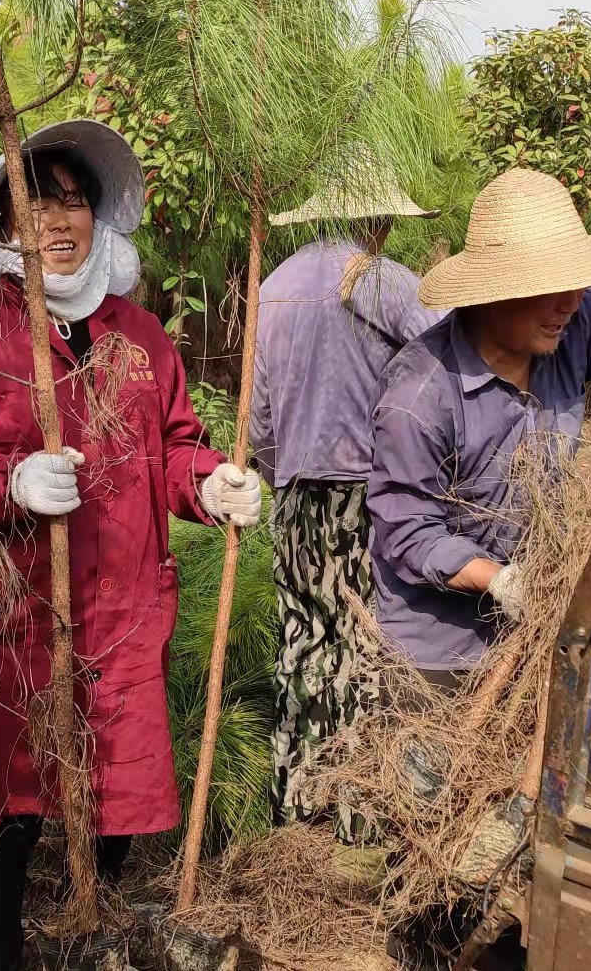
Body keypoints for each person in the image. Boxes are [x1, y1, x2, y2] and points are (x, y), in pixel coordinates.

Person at [0, 120, 261, 971]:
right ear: (1, 228)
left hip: (121, 617)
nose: (57, 223)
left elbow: (168, 447)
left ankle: (89, 931)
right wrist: (6, 481)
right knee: (0, 807)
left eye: (74, 202)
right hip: (10, 623)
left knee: (113, 792)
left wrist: (208, 482)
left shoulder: (141, 337)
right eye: (34, 207)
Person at [368, 167, 591, 684]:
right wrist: (502, 580)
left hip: (539, 633)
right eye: (550, 287)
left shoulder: (572, 326)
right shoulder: (419, 396)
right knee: (439, 762)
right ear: (492, 292)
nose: (572, 301)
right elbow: (407, 528)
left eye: (575, 283)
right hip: (441, 654)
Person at [249, 183, 442, 850]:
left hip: (298, 499)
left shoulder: (274, 285)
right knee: (367, 653)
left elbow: (259, 425)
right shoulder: (390, 284)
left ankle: (296, 819)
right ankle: (360, 823)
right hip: (370, 500)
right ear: (380, 217)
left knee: (304, 647)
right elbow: (445, 381)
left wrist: (284, 482)